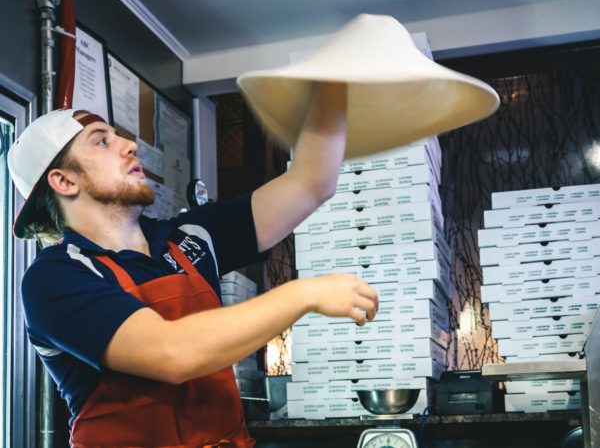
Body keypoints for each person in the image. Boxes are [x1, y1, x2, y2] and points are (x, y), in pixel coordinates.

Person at [7, 83, 378, 447]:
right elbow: (172, 353)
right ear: (64, 180)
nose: (129, 145)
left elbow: (311, 183)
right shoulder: (55, 278)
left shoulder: (190, 238)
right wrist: (302, 294)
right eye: (102, 141)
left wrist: (332, 96)